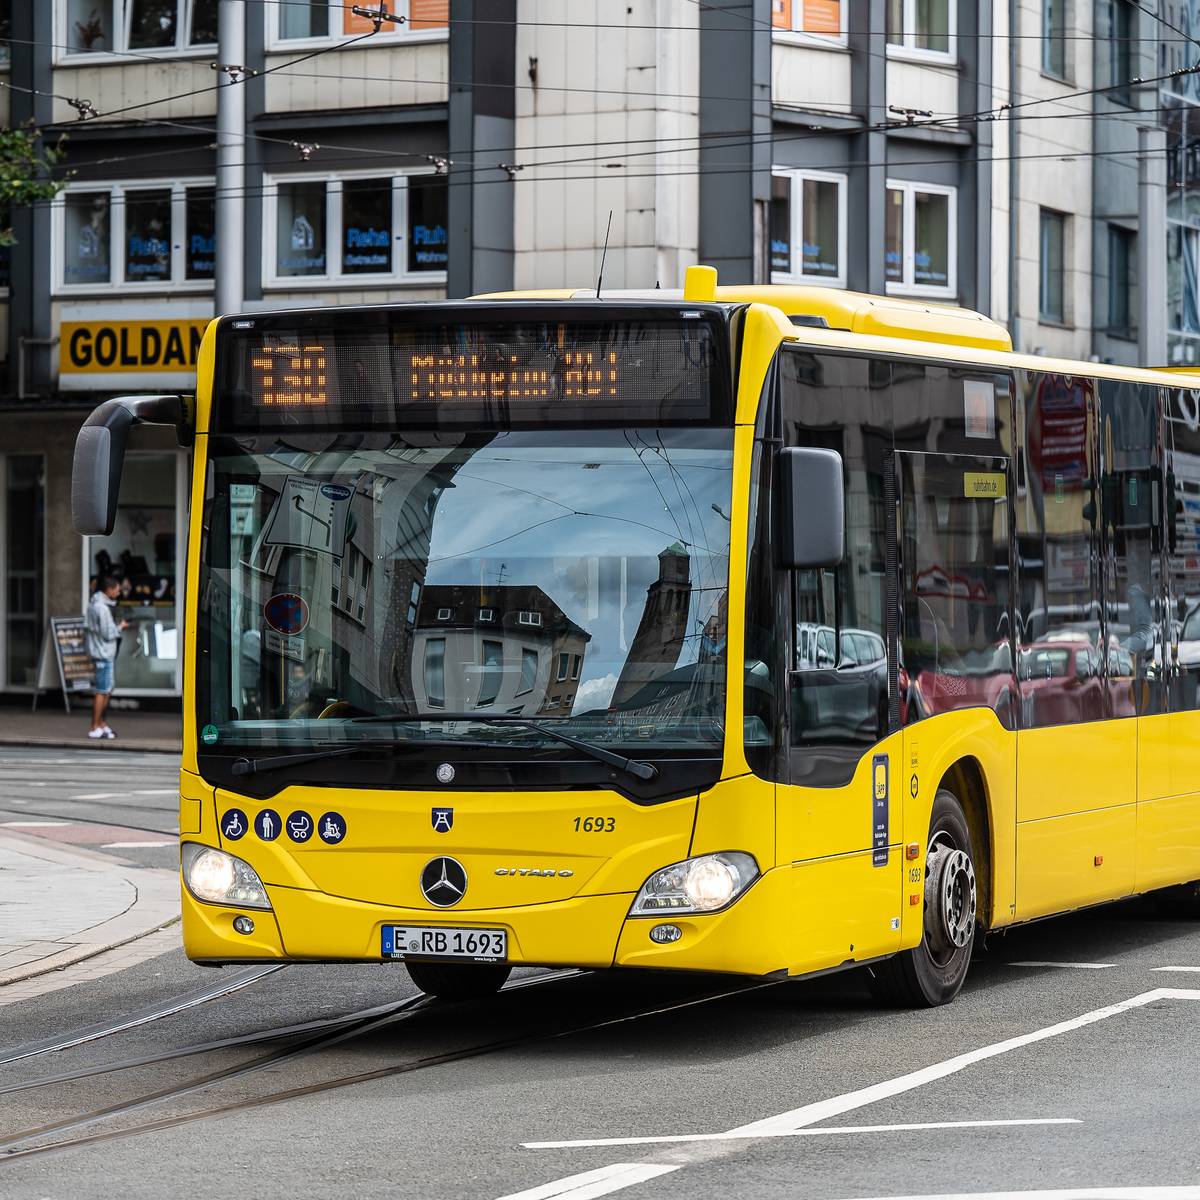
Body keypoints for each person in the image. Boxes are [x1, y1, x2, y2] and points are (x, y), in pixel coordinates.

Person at [85, 575, 129, 740]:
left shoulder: (95, 604)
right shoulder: (101, 608)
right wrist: (120, 627)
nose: (119, 592)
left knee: (106, 690)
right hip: (103, 653)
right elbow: (107, 633)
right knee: (102, 691)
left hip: (102, 652)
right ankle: (95, 727)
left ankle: (101, 724)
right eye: (117, 589)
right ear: (109, 589)